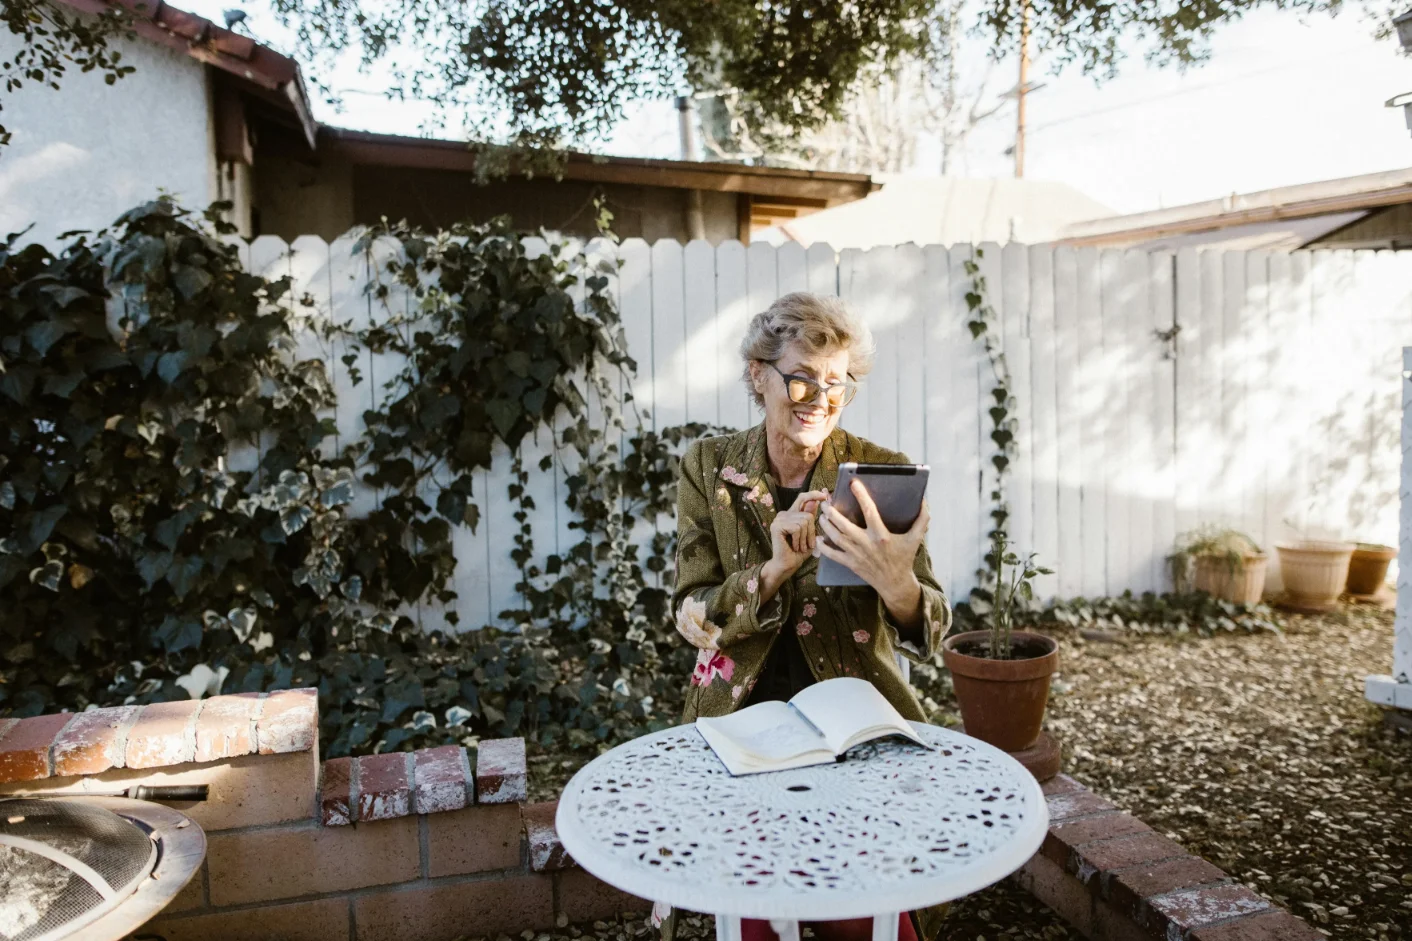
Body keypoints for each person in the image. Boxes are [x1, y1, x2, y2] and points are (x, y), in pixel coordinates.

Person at [657, 292, 952, 941]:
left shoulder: (882, 474)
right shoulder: (709, 468)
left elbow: (930, 628)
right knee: (756, 903)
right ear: (758, 375)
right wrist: (771, 571)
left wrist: (896, 581)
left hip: (853, 720)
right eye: (800, 377)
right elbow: (690, 613)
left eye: (836, 383)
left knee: (872, 916)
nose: (818, 397)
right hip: (739, 722)